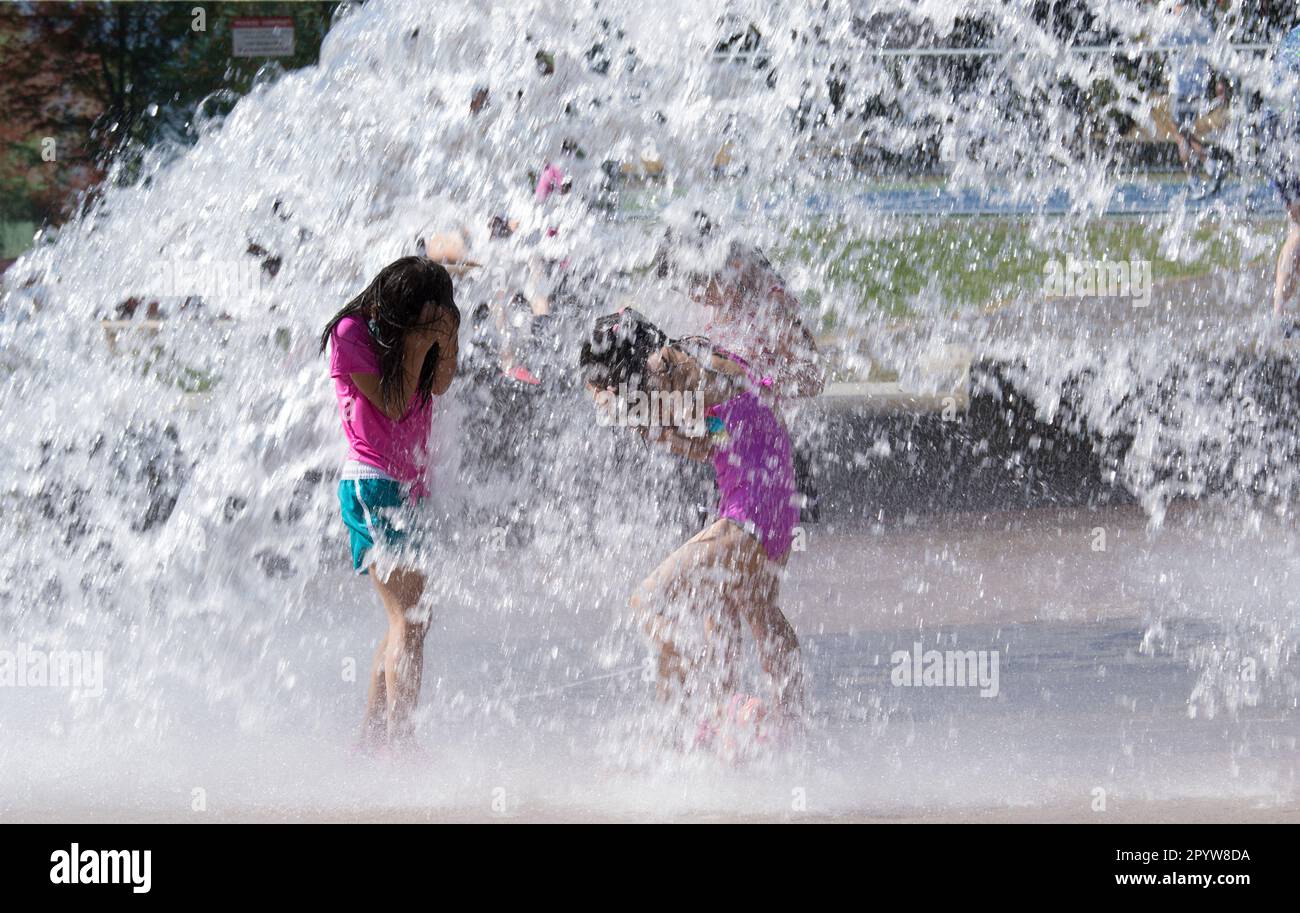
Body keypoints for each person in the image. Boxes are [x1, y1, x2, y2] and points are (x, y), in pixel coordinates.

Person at [581, 310, 804, 741]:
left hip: (750, 510)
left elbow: (703, 420)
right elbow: (721, 437)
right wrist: (662, 432)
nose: (601, 396)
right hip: (774, 501)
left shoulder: (668, 367)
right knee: (744, 605)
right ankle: (786, 729)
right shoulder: (695, 361)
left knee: (649, 602)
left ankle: (692, 721)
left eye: (601, 384)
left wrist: (638, 416)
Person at [319, 257, 460, 754]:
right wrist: (421, 341)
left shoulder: (415, 336)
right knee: (410, 618)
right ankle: (402, 742)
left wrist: (447, 337)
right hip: (372, 483)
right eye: (429, 312)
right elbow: (395, 404)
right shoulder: (351, 332)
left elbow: (439, 383)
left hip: (409, 490)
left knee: (408, 618)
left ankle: (371, 739)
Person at [1264, 25, 1300, 318]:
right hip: (1293, 135)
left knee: (1298, 229)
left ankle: (1279, 311)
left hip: (1277, 140)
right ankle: (1279, 311)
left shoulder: (1289, 38)